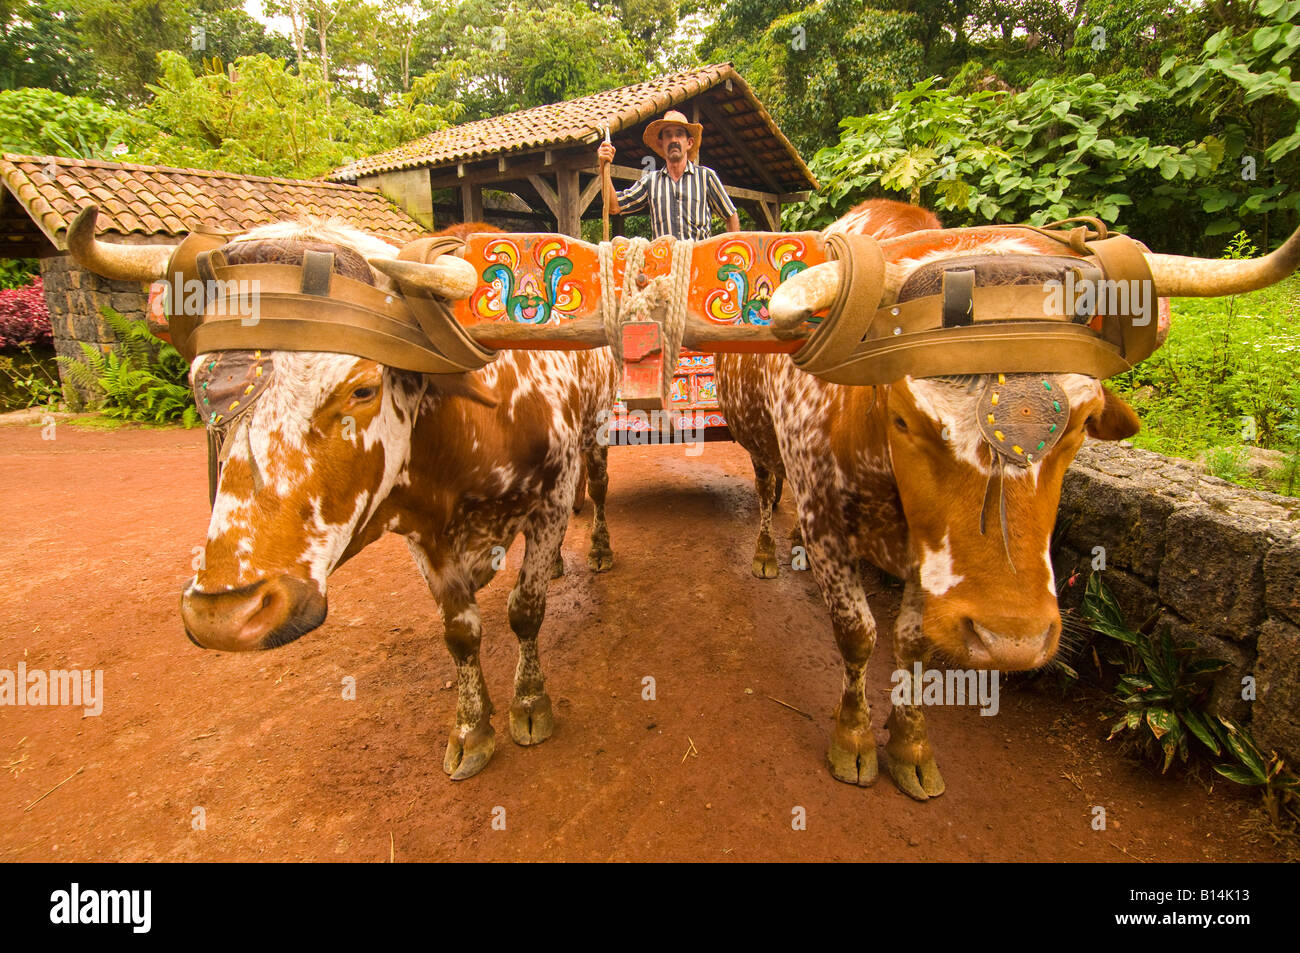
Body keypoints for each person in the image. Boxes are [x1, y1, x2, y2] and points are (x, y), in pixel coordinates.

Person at [597, 110, 740, 240]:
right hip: (663, 266)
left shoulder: (706, 177)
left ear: (689, 142)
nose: (673, 140)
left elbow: (730, 216)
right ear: (662, 143)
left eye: (679, 134)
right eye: (668, 135)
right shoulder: (650, 182)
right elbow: (614, 206)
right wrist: (603, 167)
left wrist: (732, 255)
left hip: (698, 266)